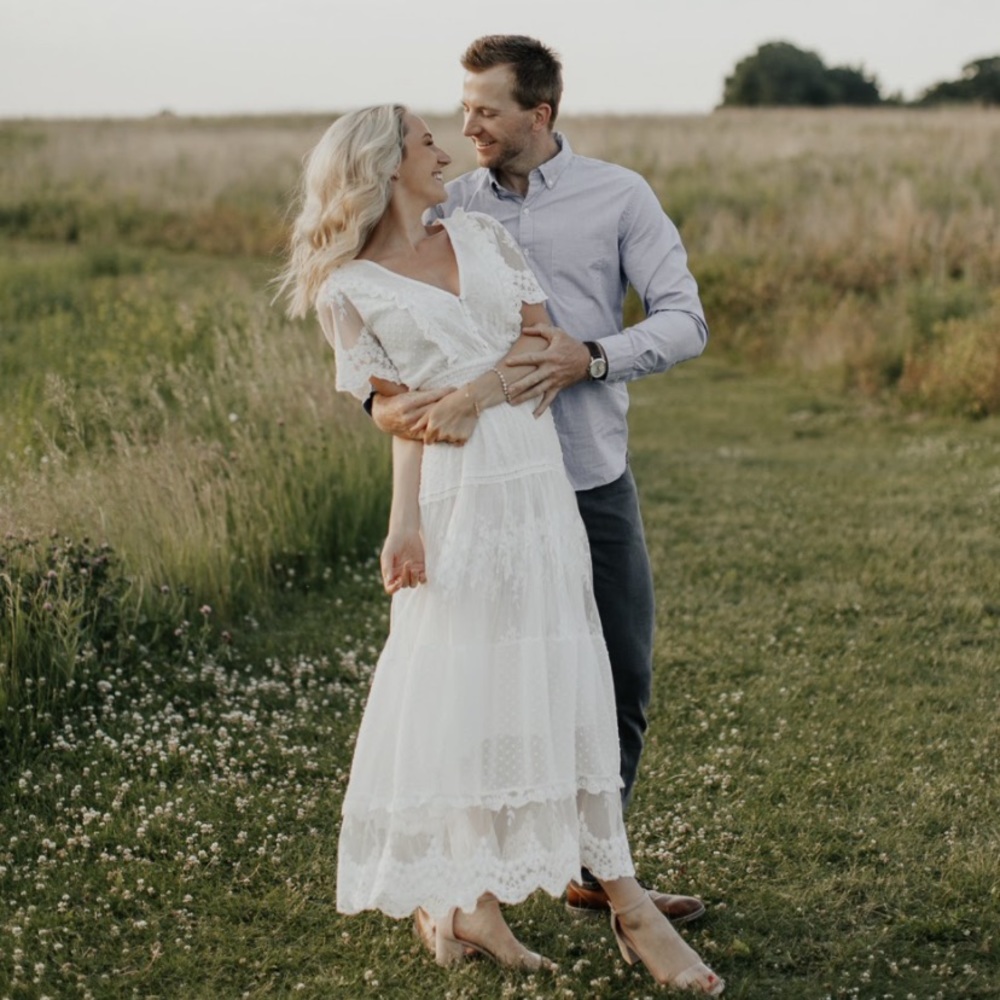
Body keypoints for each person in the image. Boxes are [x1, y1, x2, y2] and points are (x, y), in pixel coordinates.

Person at [279, 104, 724, 995]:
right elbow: (401, 415)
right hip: (453, 501)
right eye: (422, 142)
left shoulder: (480, 235)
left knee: (563, 680)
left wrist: (476, 393)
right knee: (465, 688)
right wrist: (402, 520)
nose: (443, 147)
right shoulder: (348, 290)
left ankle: (619, 895)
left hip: (532, 481)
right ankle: (474, 900)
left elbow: (537, 348)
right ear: (382, 166)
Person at [369, 35, 710, 922]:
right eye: (464, 108)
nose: (466, 125)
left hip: (589, 478)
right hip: (480, 494)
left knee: (621, 678)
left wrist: (592, 357)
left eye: (486, 109)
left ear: (539, 114)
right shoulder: (447, 205)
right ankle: (474, 882)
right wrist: (380, 411)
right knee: (479, 686)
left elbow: (685, 321)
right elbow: (390, 334)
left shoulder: (618, 196)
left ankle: (596, 868)